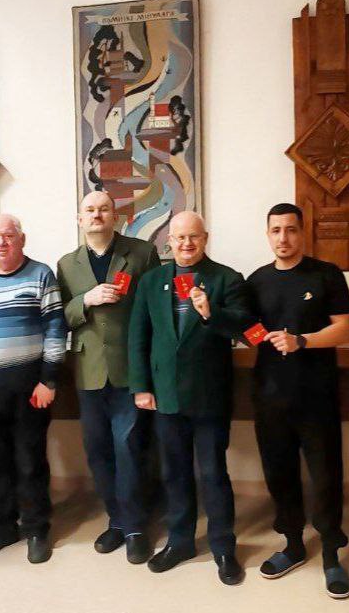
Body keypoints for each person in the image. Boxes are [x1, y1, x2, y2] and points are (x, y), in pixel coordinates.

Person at [127, 211, 250, 585]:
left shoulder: (227, 278)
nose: (186, 243)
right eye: (179, 237)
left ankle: (223, 547)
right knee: (175, 473)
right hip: (165, 395)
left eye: (193, 236)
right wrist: (141, 386)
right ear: (169, 241)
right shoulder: (152, 281)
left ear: (205, 238)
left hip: (209, 394)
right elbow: (138, 336)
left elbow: (245, 327)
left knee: (213, 473)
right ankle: (180, 542)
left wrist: (211, 313)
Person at [245, 203, 349, 598]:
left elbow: (344, 330)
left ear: (302, 232)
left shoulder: (327, 275)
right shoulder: (256, 280)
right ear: (267, 234)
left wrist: (301, 341)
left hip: (316, 395)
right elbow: (251, 333)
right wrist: (250, 332)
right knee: (280, 473)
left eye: (290, 230)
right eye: (276, 230)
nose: (283, 238)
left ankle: (331, 553)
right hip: (270, 395)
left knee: (325, 476)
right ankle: (292, 545)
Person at [57, 191, 161, 564]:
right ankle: (115, 520)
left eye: (104, 208)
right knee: (98, 451)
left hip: (131, 369)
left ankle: (135, 528)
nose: (97, 214)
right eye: (90, 210)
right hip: (88, 372)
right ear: (79, 218)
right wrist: (85, 300)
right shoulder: (66, 264)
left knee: (129, 448)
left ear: (115, 216)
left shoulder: (142, 253)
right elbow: (59, 314)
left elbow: (155, 308)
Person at [0, 214, 66, 564]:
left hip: (29, 390)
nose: (1, 242)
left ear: (22, 239)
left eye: (8, 235)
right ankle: (2, 528)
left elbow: (56, 328)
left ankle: (36, 530)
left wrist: (48, 380)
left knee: (30, 462)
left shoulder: (41, 274)